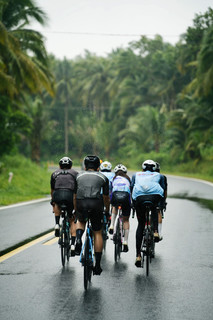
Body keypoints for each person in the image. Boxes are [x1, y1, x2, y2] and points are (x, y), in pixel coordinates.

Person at [74, 155, 110, 275]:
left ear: (85, 166)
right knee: (97, 232)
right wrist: (107, 210)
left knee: (81, 221)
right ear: (98, 167)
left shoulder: (78, 176)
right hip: (96, 204)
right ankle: (98, 265)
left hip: (81, 202)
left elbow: (74, 195)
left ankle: (78, 238)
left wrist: (76, 209)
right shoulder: (103, 177)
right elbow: (105, 197)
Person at [131, 159, 165, 267]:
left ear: (142, 168)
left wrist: (133, 204)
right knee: (154, 208)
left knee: (141, 224)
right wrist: (162, 204)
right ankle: (155, 231)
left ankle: (138, 255)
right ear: (155, 169)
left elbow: (132, 188)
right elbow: (163, 189)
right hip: (154, 196)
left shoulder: (136, 175)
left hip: (139, 198)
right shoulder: (160, 176)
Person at [50, 156, 78, 256]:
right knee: (72, 220)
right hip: (70, 195)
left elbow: (52, 190)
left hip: (57, 194)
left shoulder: (54, 173)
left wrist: (53, 202)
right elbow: (77, 190)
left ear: (59, 166)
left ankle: (57, 224)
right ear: (70, 166)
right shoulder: (75, 173)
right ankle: (73, 244)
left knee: (56, 203)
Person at [108, 164, 131, 252]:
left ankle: (112, 225)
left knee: (114, 206)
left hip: (115, 195)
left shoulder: (114, 179)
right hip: (125, 196)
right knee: (125, 220)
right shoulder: (128, 179)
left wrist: (111, 201)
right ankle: (125, 241)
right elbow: (131, 191)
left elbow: (110, 190)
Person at [155, 162, 168, 240]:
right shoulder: (162, 177)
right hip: (159, 198)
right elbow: (164, 190)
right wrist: (164, 201)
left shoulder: (146, 176)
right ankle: (159, 232)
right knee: (158, 211)